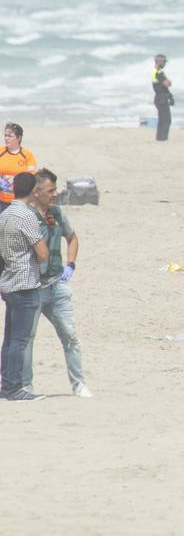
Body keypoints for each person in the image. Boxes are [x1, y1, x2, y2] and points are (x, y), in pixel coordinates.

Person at [22, 169, 90, 397]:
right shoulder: (26, 216)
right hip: (32, 287)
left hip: (56, 285)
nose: (55, 193)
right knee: (27, 339)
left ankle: (79, 384)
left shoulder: (57, 213)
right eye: (50, 190)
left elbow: (71, 238)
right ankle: (25, 385)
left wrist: (70, 264)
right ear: (37, 192)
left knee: (70, 335)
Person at [0, 172, 49, 401]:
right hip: (25, 282)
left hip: (8, 281)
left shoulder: (5, 213)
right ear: (32, 191)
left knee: (10, 339)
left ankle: (7, 384)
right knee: (20, 340)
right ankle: (14, 387)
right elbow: (42, 252)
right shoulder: (26, 215)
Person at [0, 122, 39, 212]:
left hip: (20, 201)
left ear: (19, 137)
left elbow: (31, 178)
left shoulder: (27, 155)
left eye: (10, 136)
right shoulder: (1, 151)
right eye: (5, 135)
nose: (6, 138)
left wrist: (13, 179)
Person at [151, 54, 173, 141]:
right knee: (166, 120)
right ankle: (162, 139)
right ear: (159, 61)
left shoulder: (156, 72)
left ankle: (161, 138)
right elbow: (168, 83)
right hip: (161, 98)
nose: (165, 64)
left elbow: (167, 83)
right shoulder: (158, 73)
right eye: (164, 62)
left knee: (163, 120)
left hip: (160, 97)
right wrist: (168, 81)